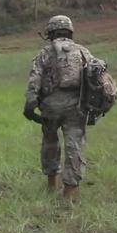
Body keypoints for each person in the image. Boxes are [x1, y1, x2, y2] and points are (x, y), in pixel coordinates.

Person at [24, 15, 99, 204]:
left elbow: (35, 80)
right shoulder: (83, 52)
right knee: (74, 145)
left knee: (50, 144)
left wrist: (30, 106)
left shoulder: (45, 53)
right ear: (70, 31)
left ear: (50, 33)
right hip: (77, 107)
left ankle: (51, 185)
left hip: (50, 108)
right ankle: (70, 194)